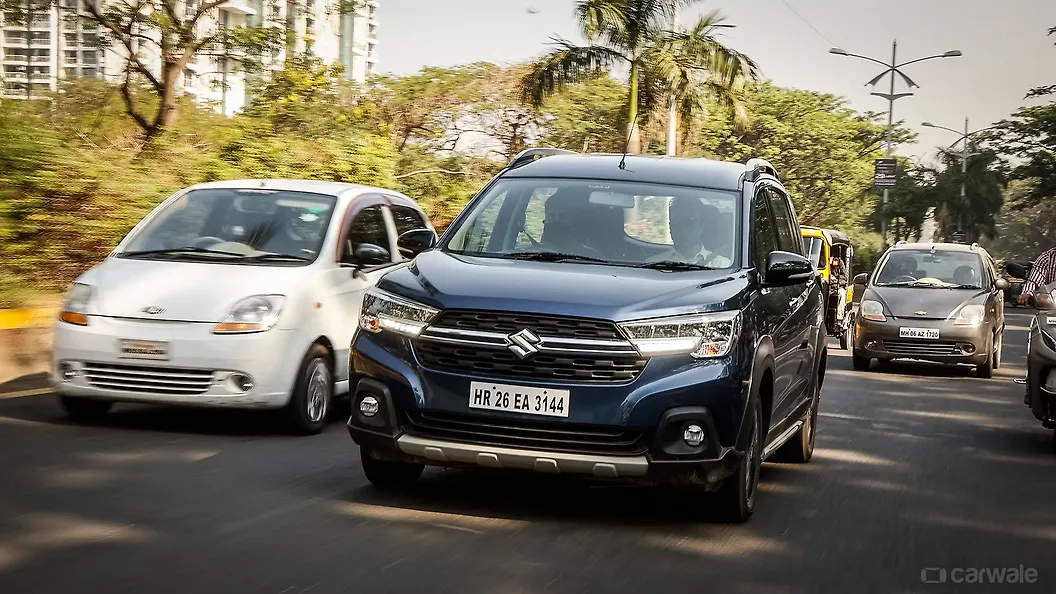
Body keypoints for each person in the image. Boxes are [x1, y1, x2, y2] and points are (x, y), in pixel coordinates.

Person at [647, 197, 733, 267]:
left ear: (702, 226)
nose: (683, 228)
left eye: (690, 221)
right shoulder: (654, 264)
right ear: (670, 226)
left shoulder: (722, 265)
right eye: (676, 222)